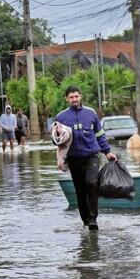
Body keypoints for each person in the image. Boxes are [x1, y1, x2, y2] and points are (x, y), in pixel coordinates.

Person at [55, 86, 117, 231]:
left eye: (76, 96)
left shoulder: (91, 114)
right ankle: (85, 221)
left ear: (80, 96)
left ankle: (93, 218)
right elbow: (56, 141)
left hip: (91, 156)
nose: (74, 99)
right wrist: (57, 135)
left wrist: (107, 152)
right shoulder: (61, 117)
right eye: (71, 97)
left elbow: (100, 134)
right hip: (73, 158)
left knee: (91, 182)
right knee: (80, 191)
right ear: (67, 99)